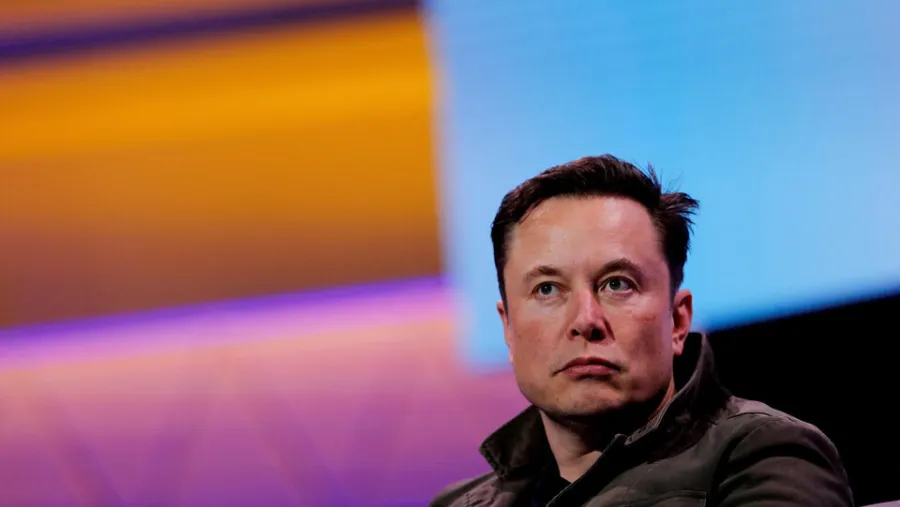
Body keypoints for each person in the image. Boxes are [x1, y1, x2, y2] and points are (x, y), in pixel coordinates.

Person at [430, 155, 853, 506]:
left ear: (678, 320)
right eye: (547, 289)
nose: (586, 320)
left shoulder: (764, 457)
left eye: (617, 284)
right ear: (508, 327)